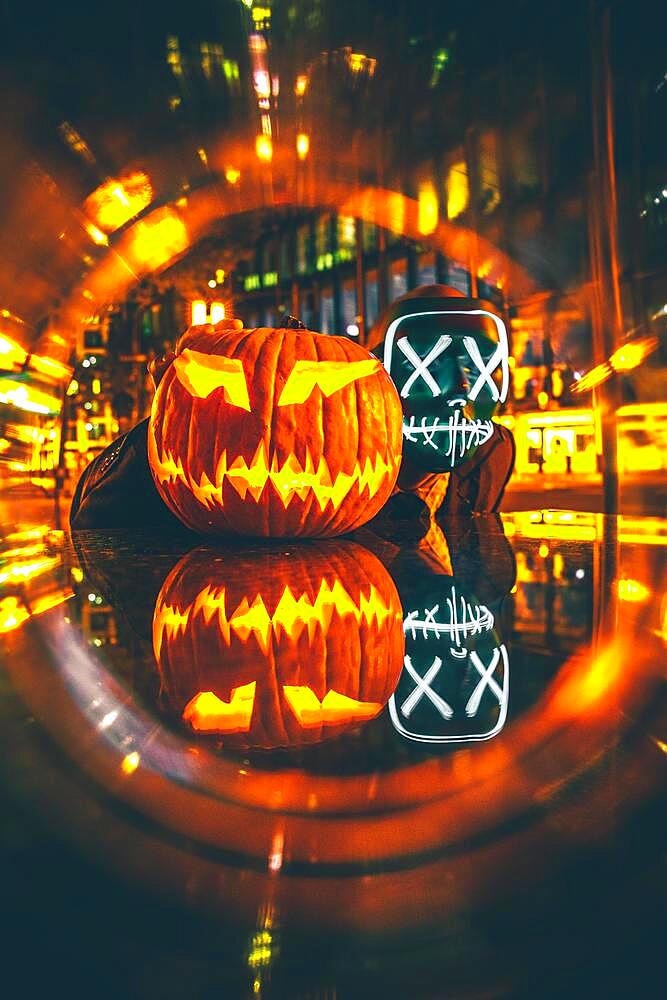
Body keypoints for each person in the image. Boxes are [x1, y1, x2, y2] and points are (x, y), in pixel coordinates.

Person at [366, 284, 515, 536]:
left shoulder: (491, 455)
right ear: (376, 374)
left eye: (478, 365)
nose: (460, 387)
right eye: (430, 363)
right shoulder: (331, 473)